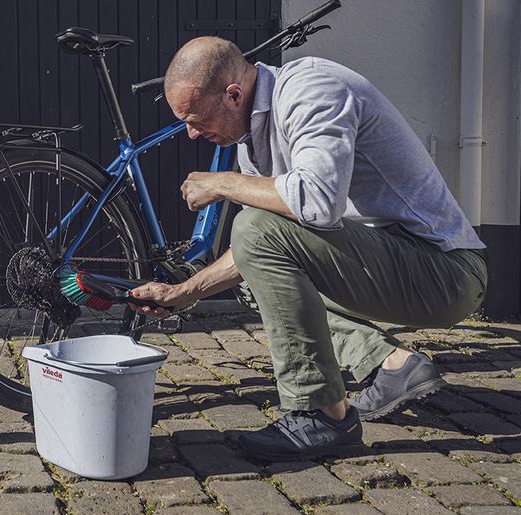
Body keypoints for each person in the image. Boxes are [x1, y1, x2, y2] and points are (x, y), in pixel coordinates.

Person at [127, 36, 488, 461]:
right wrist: (183, 293)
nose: (191, 133)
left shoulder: (312, 89)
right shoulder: (251, 138)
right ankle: (391, 364)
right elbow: (262, 250)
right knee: (253, 272)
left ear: (234, 94)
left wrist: (221, 183)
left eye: (196, 117)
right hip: (389, 264)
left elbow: (317, 204)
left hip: (444, 271)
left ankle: (322, 415)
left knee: (254, 230)